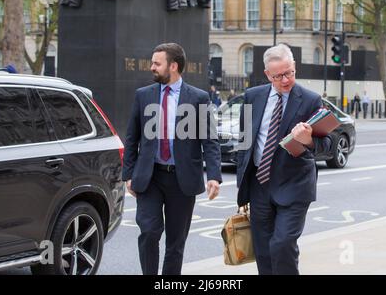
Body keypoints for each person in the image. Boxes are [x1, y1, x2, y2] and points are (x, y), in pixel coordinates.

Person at [122, 43, 222, 275]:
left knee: (175, 243)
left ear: (173, 66)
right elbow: (132, 136)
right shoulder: (143, 95)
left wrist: (214, 176)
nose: (152, 67)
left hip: (182, 180)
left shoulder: (199, 98)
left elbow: (210, 140)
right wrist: (128, 174)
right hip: (151, 176)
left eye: (157, 63)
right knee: (148, 232)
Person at [236, 44, 332, 275]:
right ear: (268, 75)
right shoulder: (252, 96)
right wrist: (244, 186)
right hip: (260, 185)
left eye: (289, 72)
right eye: (278, 76)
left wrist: (308, 139)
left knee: (282, 245)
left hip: (295, 185)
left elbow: (326, 145)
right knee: (263, 251)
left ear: (294, 67)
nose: (286, 80)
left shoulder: (310, 100)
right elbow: (245, 142)